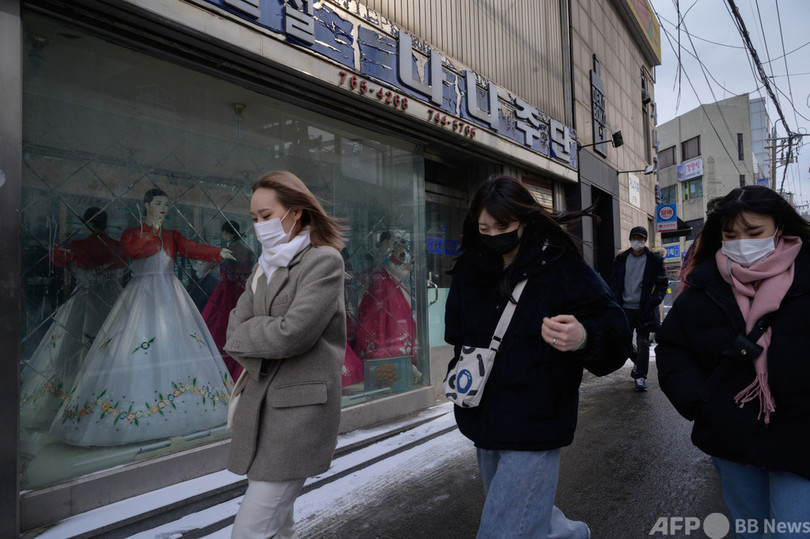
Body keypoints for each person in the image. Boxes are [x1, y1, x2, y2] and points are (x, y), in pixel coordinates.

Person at [444, 175, 631, 539]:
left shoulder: (563, 269)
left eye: (502, 226)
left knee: (505, 530)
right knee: (524, 515)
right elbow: (457, 333)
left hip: (537, 416)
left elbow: (616, 333)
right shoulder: (470, 269)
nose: (493, 233)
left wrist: (583, 337)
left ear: (524, 221)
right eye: (484, 227)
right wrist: (461, 368)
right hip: (483, 415)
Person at [656, 185, 810, 532]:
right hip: (732, 437)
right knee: (749, 528)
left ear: (779, 228)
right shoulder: (703, 287)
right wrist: (702, 403)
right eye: (731, 235)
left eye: (754, 232)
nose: (742, 242)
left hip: (802, 435)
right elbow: (671, 350)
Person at [49, 189, 236, 446]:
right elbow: (134, 249)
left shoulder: (172, 236)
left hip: (171, 294)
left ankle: (186, 410)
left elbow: (191, 248)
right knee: (134, 344)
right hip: (142, 294)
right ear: (147, 205)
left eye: (167, 204)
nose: (164, 208)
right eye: (159, 203)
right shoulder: (131, 234)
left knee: (179, 345)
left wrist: (217, 252)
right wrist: (152, 230)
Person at [224, 171, 346, 538]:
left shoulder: (323, 261)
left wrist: (256, 333)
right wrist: (265, 332)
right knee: (278, 527)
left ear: (296, 213)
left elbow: (293, 334)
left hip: (298, 416)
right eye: (255, 218)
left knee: (250, 530)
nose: (260, 225)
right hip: (260, 410)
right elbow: (232, 330)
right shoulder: (264, 266)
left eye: (267, 215)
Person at [20, 208, 126, 431]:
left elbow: (55, 259)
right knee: (115, 346)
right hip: (114, 298)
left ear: (87, 223)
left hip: (85, 300)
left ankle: (73, 402)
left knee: (73, 347)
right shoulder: (117, 246)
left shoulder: (78, 246)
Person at [610, 225, 668, 391]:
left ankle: (640, 376)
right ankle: (639, 361)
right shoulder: (621, 259)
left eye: (641, 238)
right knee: (623, 341)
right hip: (624, 308)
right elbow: (614, 282)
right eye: (635, 238)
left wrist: (654, 300)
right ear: (630, 239)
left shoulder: (654, 260)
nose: (638, 241)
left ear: (645, 240)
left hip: (644, 308)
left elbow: (662, 283)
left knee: (643, 342)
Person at [202, 220, 255, 379]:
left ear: (228, 233)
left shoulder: (228, 250)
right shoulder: (248, 250)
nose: (223, 235)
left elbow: (208, 269)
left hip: (227, 293)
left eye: (225, 233)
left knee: (219, 325)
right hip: (242, 292)